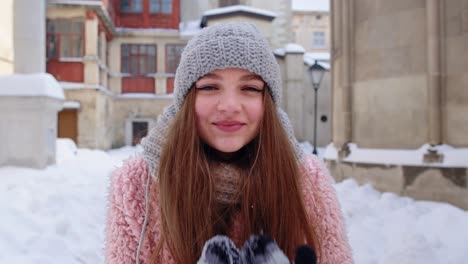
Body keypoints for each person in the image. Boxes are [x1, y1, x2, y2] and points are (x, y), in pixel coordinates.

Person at [105, 22, 353, 264]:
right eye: (210, 86)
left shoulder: (307, 180)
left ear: (268, 102)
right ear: (187, 100)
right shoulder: (139, 184)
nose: (230, 106)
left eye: (250, 88)